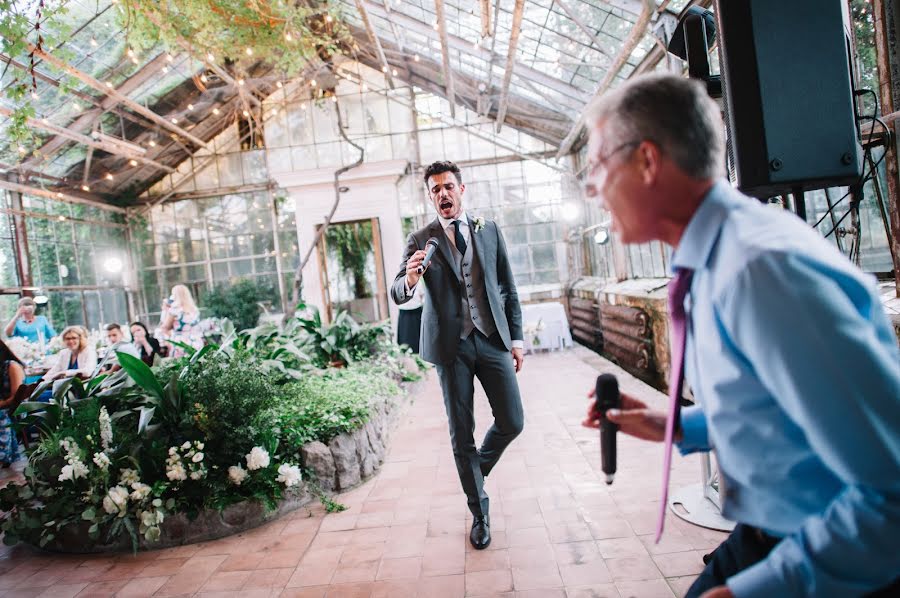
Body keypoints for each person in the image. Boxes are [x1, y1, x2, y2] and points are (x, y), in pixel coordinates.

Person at [581, 73, 900, 597]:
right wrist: (673, 425)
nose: (592, 188)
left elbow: (889, 488)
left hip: (837, 551)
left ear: (647, 160)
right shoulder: (714, 260)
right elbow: (773, 408)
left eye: (596, 165)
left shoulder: (761, 272)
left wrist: (764, 590)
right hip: (765, 532)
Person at [391, 160, 525, 550]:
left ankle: (475, 470)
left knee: (513, 421)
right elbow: (398, 292)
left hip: (493, 339)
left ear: (461, 190)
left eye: (448, 186)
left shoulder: (489, 230)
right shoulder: (420, 239)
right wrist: (411, 278)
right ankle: (479, 513)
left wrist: (516, 339)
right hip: (451, 347)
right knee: (460, 431)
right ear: (430, 196)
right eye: (435, 190)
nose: (443, 194)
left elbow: (508, 289)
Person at [0, 339, 25, 467]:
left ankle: (3, 456)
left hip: (15, 408)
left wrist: (1, 404)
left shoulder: (11, 366)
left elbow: (16, 397)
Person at [158, 284, 202, 355]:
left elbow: (165, 327)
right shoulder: (194, 310)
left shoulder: (175, 310)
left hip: (181, 344)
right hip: (196, 342)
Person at [395, 279, 425, 353]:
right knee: (405, 333)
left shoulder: (418, 281)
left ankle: (419, 349)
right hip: (404, 310)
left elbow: (422, 295)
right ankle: (405, 349)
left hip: (416, 309)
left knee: (417, 332)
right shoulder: (399, 281)